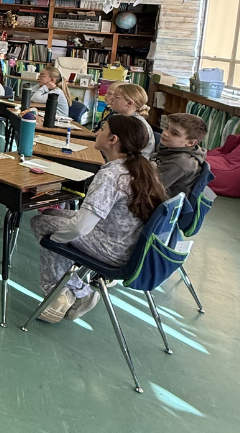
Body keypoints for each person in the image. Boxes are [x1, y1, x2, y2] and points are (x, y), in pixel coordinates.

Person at [29, 115, 168, 323]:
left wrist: (56, 242)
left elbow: (80, 228)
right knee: (51, 214)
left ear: (113, 139)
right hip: (128, 243)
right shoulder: (142, 169)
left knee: (40, 224)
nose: (97, 132)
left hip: (114, 250)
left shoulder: (111, 175)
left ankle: (64, 293)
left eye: (102, 129)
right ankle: (71, 292)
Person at [153, 113, 208, 199]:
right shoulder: (169, 147)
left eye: (175, 133)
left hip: (157, 203)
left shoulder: (180, 162)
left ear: (190, 143)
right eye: (167, 128)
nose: (165, 133)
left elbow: (149, 187)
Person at [107, 83, 155, 158]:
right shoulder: (120, 118)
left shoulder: (135, 125)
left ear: (129, 103)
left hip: (132, 165)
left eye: (116, 97)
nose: (111, 99)